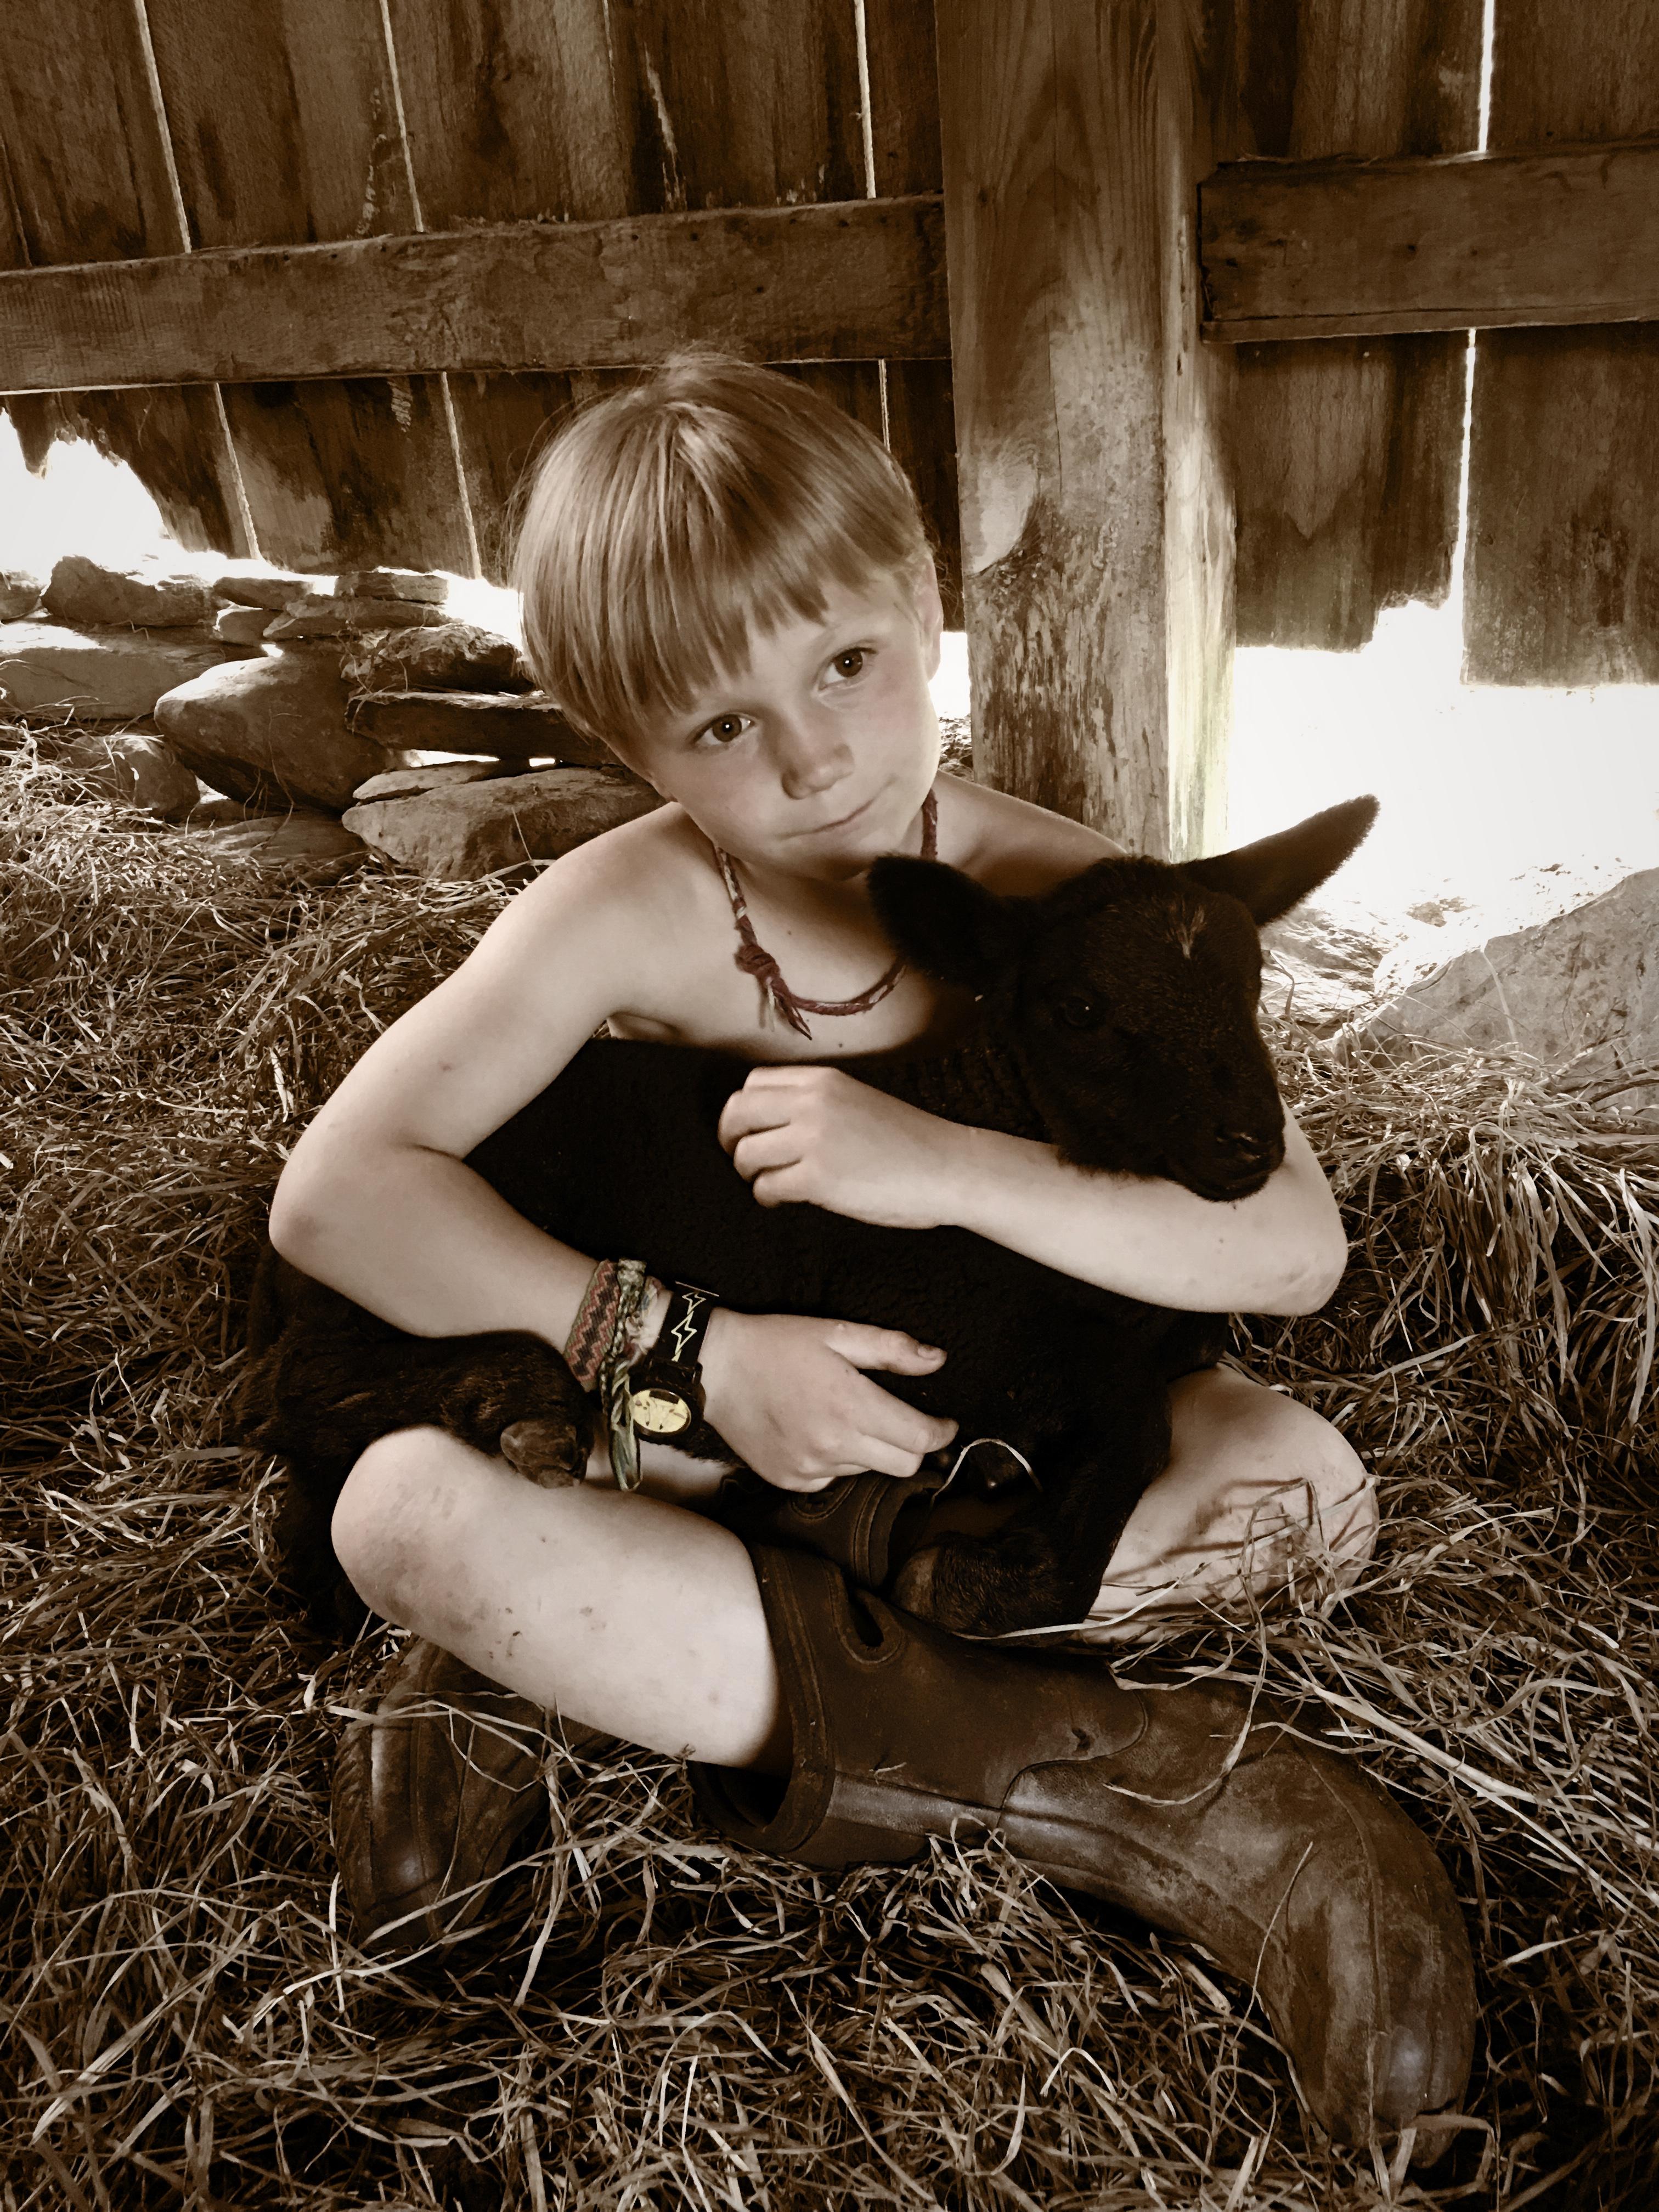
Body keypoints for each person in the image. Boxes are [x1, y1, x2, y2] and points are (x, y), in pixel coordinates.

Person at [268, 353, 1472, 2143]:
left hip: (990, 1462)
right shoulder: (624, 911)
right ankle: (1133, 1789)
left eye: (846, 665)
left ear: (927, 607)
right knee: (397, 1518)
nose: (816, 755)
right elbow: (335, 1194)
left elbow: (1292, 1249)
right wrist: (679, 1352)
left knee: (1307, 1487)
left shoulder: (1068, 894)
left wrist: (951, 1168)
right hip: (675, 1454)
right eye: (720, 725)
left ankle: (635, 1679)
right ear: (624, 739)